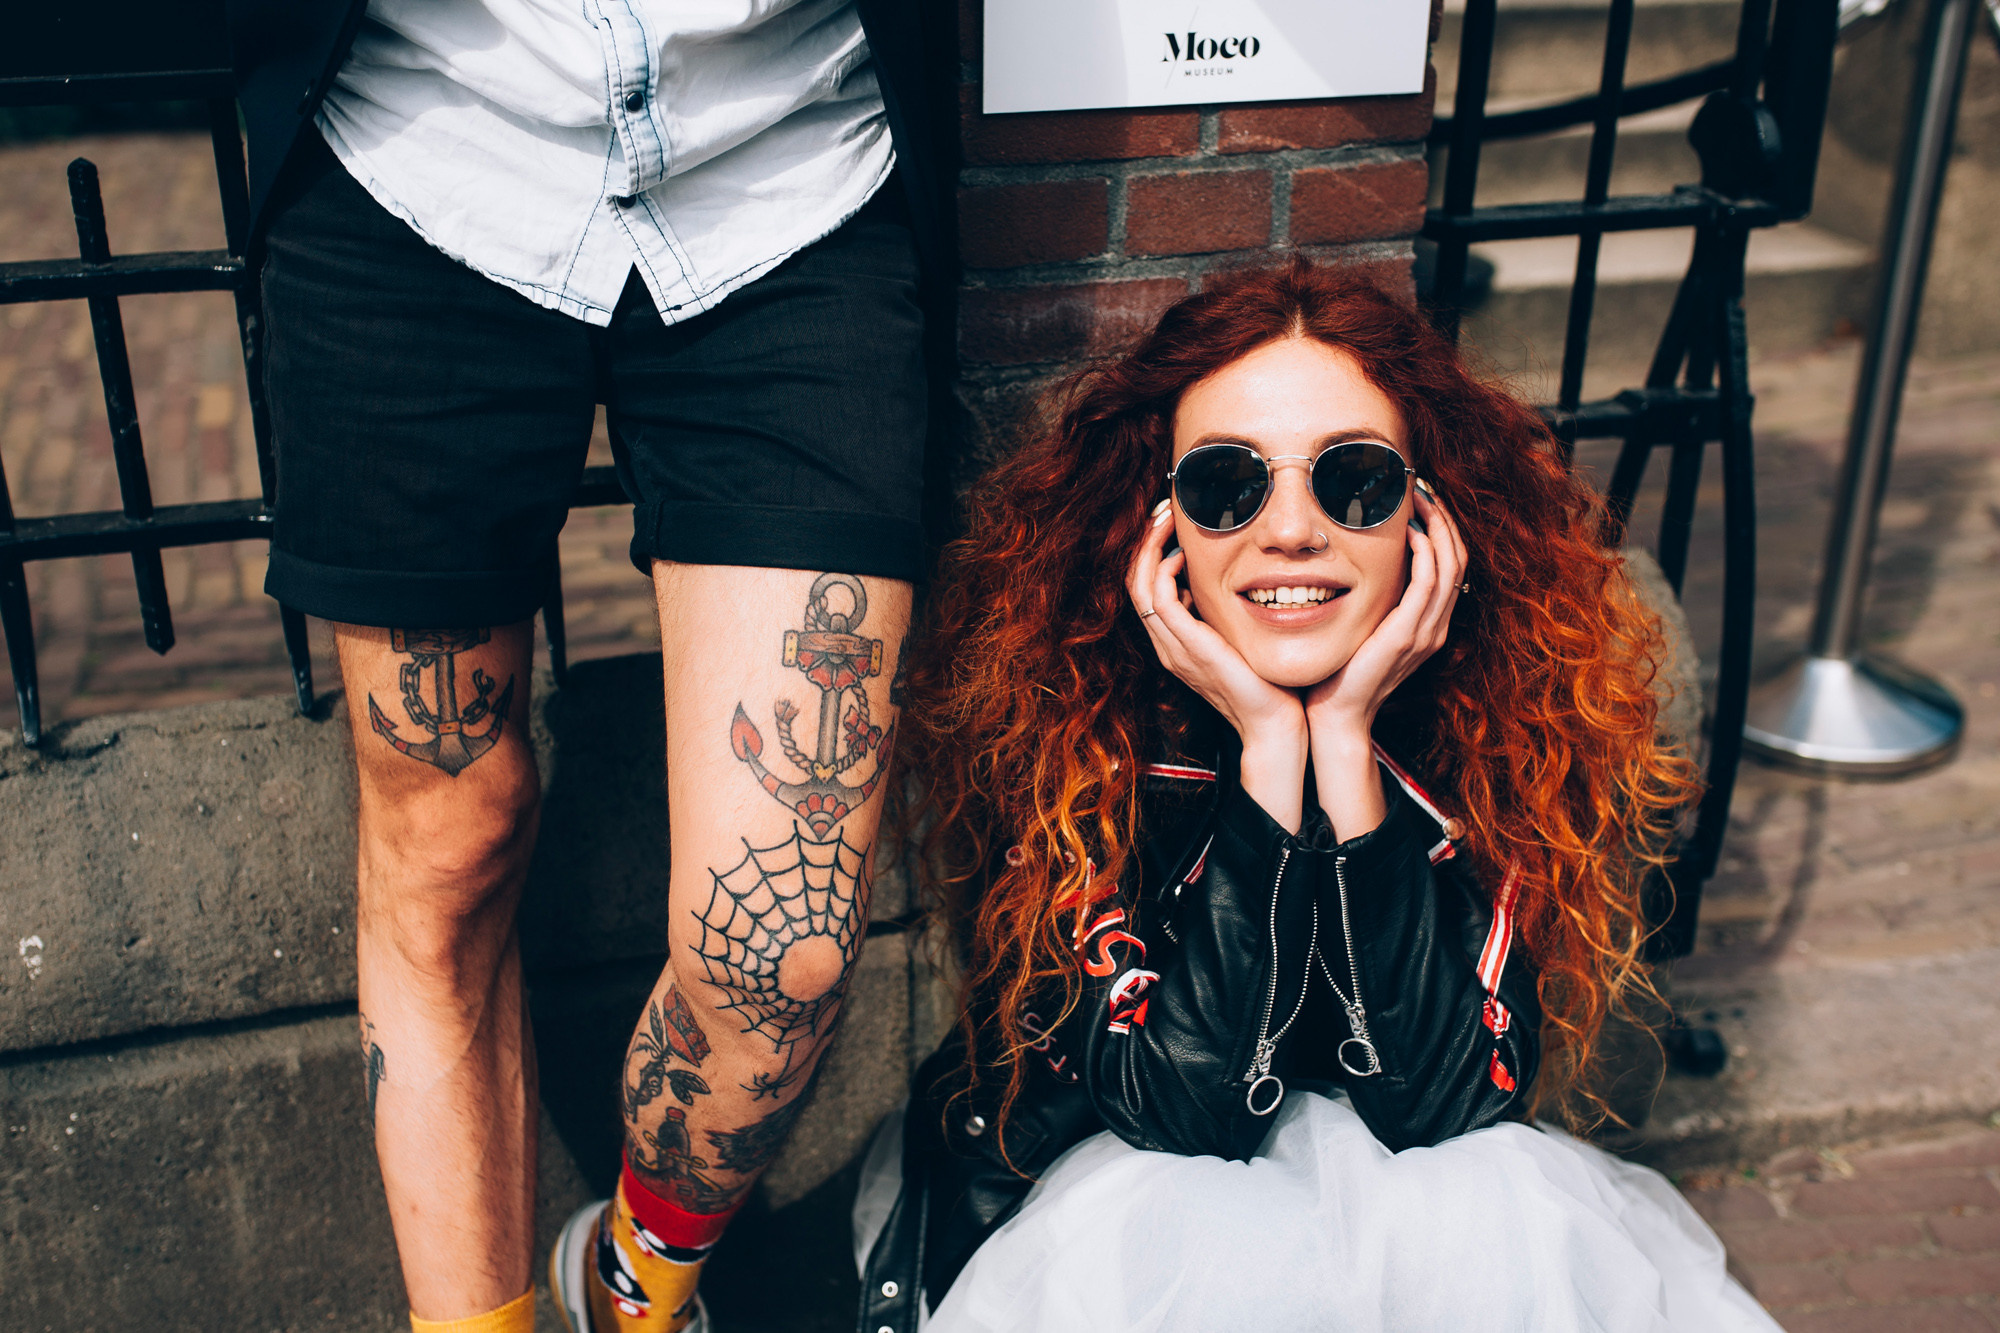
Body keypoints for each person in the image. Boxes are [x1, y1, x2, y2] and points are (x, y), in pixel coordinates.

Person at [853, 259, 1780, 1332]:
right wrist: (1264, 746)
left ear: (1426, 519)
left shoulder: (1492, 736)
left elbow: (1442, 1103)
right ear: (1157, 527)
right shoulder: (1083, 741)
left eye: (1354, 479)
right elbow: (1185, 1114)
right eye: (1226, 483)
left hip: (1413, 1231)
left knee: (1478, 1191)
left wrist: (1340, 739)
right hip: (1103, 1231)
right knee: (1193, 1214)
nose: (1291, 528)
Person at [223, 2, 952, 1331]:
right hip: (421, 155)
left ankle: (627, 1292)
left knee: (778, 959)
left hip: (788, 171)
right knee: (447, 839)